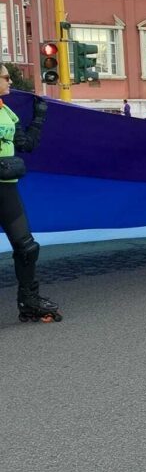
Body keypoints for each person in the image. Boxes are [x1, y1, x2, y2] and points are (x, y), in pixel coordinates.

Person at [0, 77, 57, 322]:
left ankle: (29, 301)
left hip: (6, 189)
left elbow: (26, 145)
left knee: (27, 247)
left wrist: (39, 116)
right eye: (5, 76)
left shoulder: (7, 111)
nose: (10, 80)